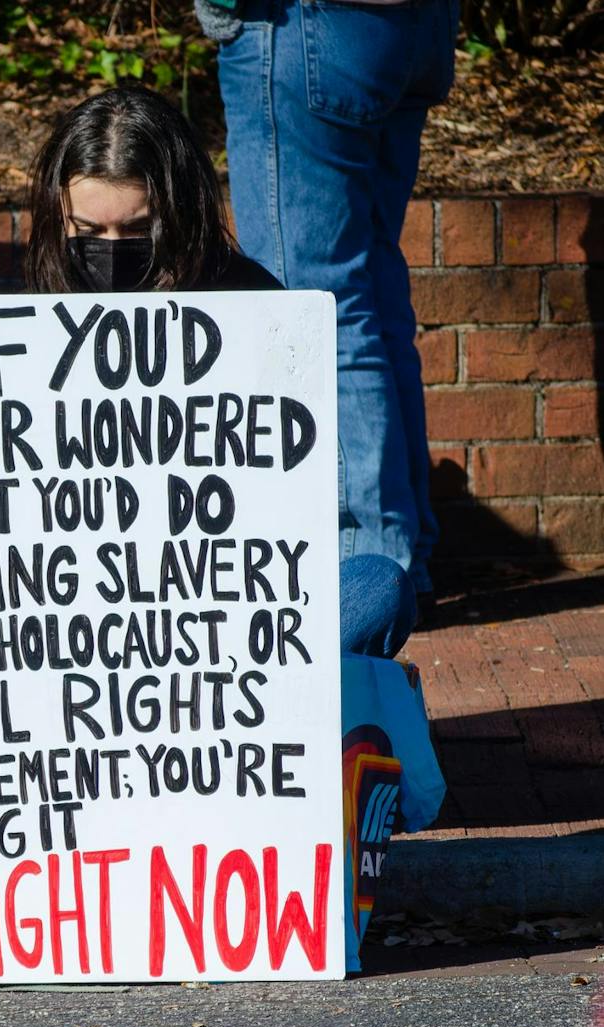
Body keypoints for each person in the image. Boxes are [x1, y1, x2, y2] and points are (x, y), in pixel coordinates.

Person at [24, 87, 417, 660]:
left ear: (179, 213)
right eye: (88, 232)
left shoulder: (253, 304)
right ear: (59, 218)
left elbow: (286, 505)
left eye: (138, 231)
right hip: (83, 626)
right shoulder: (23, 323)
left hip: (222, 622)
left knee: (379, 588)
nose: (112, 251)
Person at [201, 0, 458, 608]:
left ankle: (365, 565)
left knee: (312, 307)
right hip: (410, 28)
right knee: (369, 288)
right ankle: (403, 555)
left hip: (305, 26)